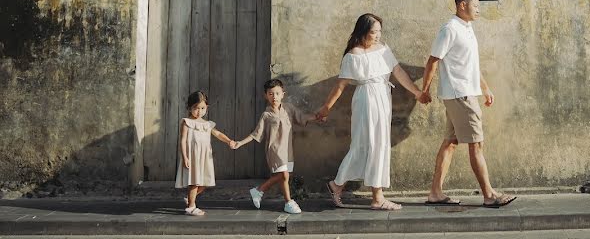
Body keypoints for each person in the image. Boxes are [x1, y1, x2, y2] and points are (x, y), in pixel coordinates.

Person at [316, 13, 426, 211]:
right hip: (366, 100)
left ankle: (353, 189)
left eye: (379, 32)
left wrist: (417, 92)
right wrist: (326, 108)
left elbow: (398, 72)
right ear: (363, 32)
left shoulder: (383, 50)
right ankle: (359, 191)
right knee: (366, 144)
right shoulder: (353, 55)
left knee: (379, 144)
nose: (377, 36)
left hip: (383, 97)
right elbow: (340, 86)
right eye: (373, 32)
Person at [420, 0, 517, 208]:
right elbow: (433, 61)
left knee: (451, 143)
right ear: (462, 5)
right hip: (460, 95)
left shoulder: (468, 28)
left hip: (464, 92)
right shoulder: (449, 29)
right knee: (476, 144)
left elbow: (470, 64)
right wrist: (424, 90)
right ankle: (489, 195)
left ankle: (435, 193)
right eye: (476, 7)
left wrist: (485, 88)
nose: (479, 11)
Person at [233, 79, 315, 214]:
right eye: (270, 94)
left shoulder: (289, 108)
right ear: (266, 95)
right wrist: (240, 143)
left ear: (283, 94)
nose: (274, 96)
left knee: (286, 175)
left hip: (288, 149)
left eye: (277, 93)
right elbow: (256, 134)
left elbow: (302, 118)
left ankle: (259, 190)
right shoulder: (266, 115)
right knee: (284, 174)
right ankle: (289, 202)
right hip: (274, 149)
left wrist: (317, 117)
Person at [175, 90, 237, 216]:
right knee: (194, 181)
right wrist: (185, 156)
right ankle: (191, 207)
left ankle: (190, 199)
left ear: (207, 107)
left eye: (202, 108)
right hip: (192, 156)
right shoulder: (187, 122)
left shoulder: (207, 124)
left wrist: (229, 141)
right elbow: (182, 141)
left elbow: (218, 134)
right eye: (196, 108)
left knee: (205, 181)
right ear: (189, 108)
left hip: (204, 157)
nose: (199, 111)